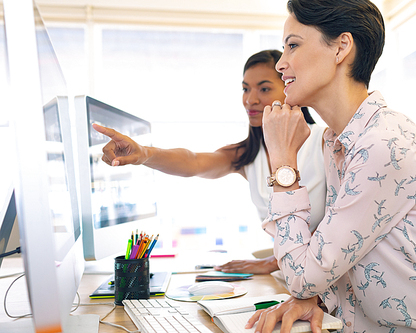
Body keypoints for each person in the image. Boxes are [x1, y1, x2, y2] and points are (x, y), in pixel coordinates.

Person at [246, 1, 416, 333]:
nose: (281, 64)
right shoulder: (337, 142)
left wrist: (282, 164)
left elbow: (302, 277)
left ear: (341, 47)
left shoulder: (382, 145)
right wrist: (317, 298)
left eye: (293, 45)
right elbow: (342, 260)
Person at [93, 49, 327, 274]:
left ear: (290, 88)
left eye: (264, 89)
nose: (250, 100)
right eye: (245, 89)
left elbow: (338, 221)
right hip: (290, 276)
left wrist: (273, 261)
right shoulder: (247, 154)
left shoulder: (324, 142)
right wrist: (142, 153)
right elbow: (192, 162)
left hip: (325, 277)